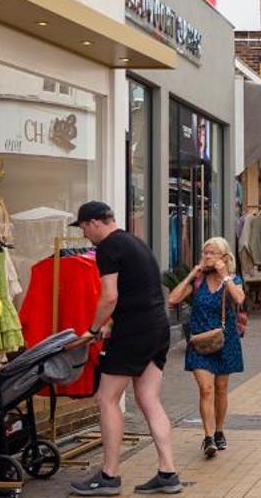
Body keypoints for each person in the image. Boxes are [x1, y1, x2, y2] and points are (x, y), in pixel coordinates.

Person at [67, 202, 182, 495]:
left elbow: (109, 296)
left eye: (83, 227)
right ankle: (168, 473)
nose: (84, 234)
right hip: (158, 328)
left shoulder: (108, 248)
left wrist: (93, 329)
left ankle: (109, 475)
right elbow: (139, 291)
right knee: (149, 399)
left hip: (134, 333)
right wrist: (110, 325)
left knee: (107, 399)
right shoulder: (135, 242)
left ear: (94, 222)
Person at [166, 237, 247, 463]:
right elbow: (172, 298)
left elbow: (239, 297)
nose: (207, 256)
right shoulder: (198, 281)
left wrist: (225, 275)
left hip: (225, 340)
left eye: (212, 253)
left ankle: (219, 430)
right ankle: (208, 437)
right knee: (206, 389)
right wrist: (192, 274)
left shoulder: (232, 279)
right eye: (205, 252)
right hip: (200, 341)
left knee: (221, 388)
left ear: (223, 257)